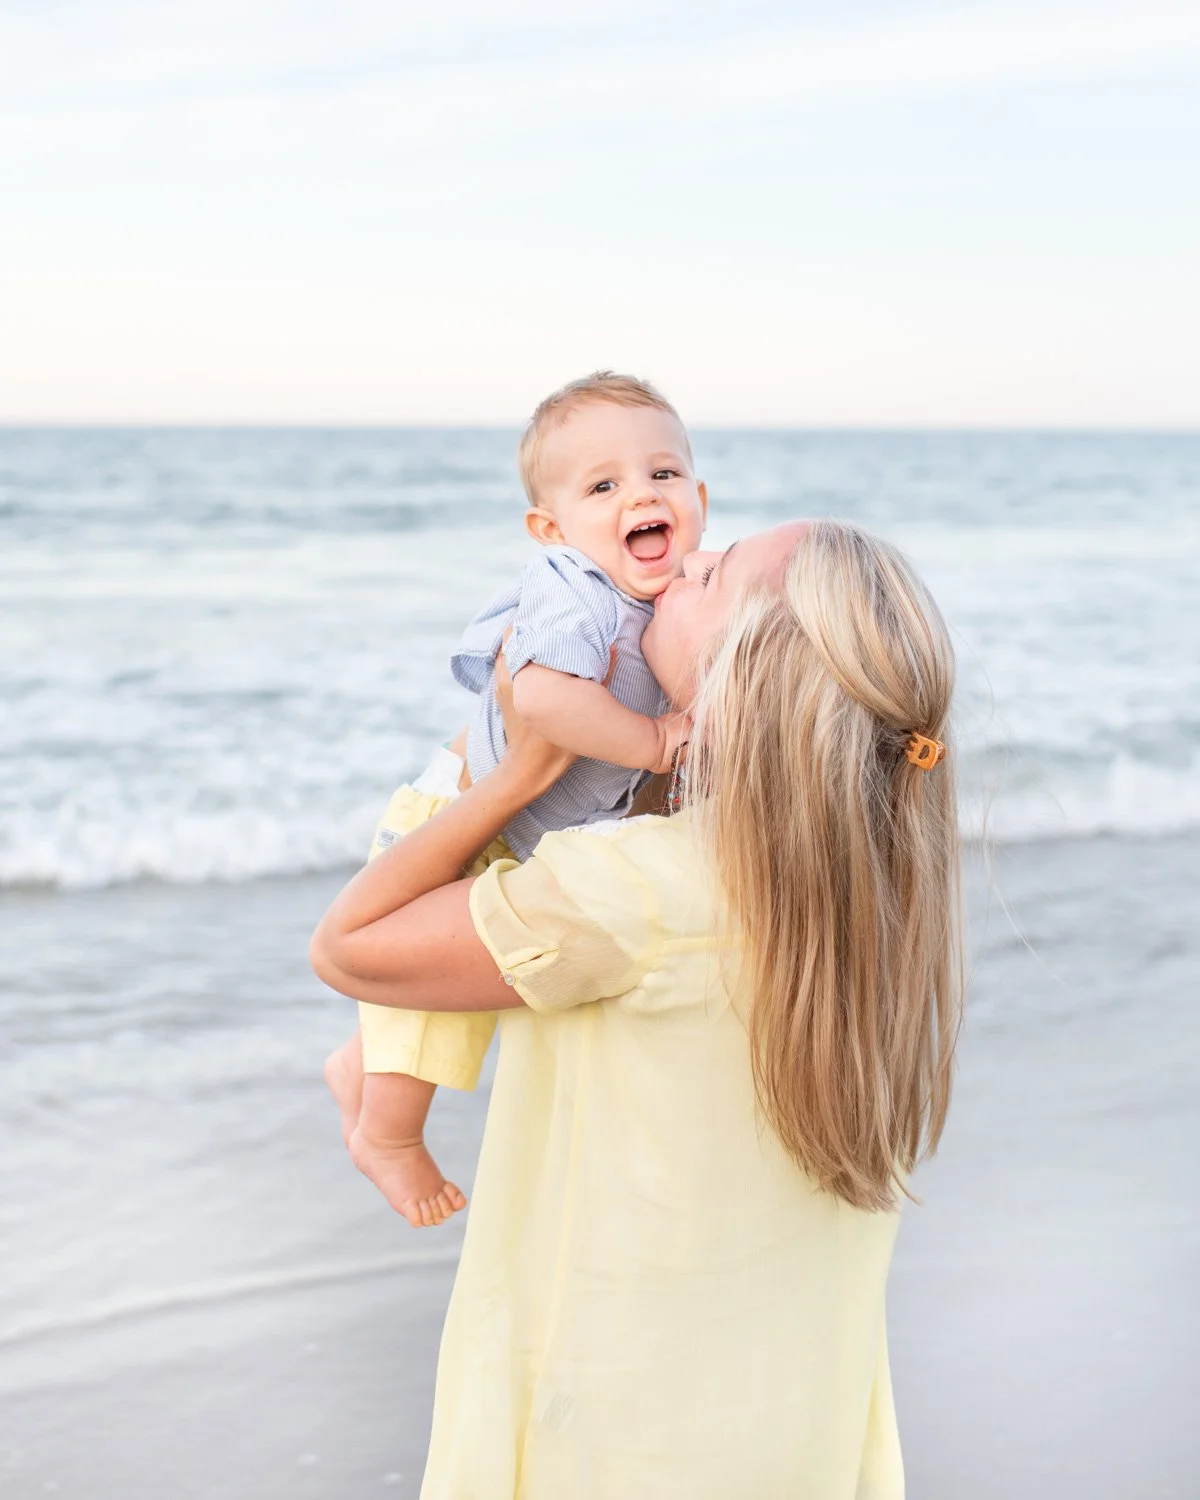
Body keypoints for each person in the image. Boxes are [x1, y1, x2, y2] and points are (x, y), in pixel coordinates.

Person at [310, 518, 963, 1499]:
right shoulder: (880, 884)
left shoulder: (634, 890)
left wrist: (522, 768)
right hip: (795, 1420)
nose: (681, 563)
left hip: (618, 1435)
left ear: (751, 677)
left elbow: (350, 946)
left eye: (713, 575)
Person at [324, 371, 705, 1227]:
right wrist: (654, 743)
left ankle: (359, 1060)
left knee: (466, 976)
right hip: (456, 816)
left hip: (526, 827)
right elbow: (542, 702)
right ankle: (387, 1135)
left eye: (663, 475)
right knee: (437, 1005)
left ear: (698, 495)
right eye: (603, 486)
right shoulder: (573, 585)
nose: (641, 495)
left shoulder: (671, 587)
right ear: (552, 528)